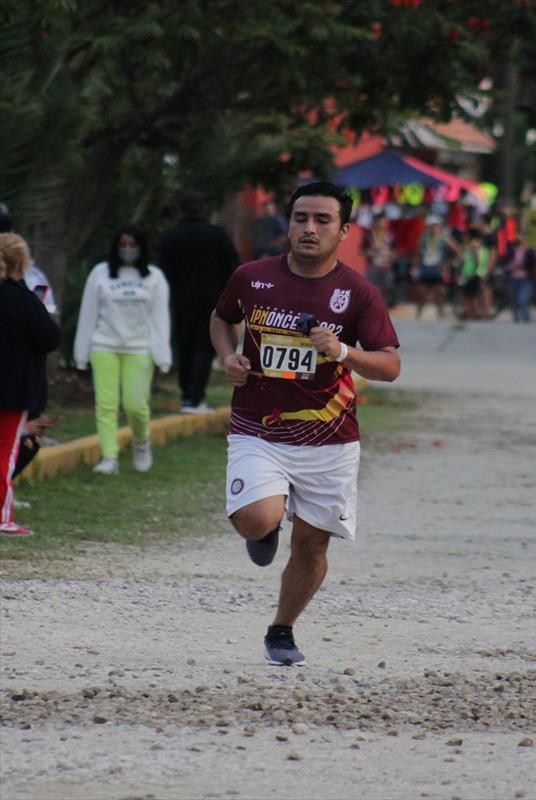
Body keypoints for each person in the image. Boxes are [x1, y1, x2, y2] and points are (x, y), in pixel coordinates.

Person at [210, 181, 400, 666]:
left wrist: (343, 351)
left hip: (330, 439)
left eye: (322, 220)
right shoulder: (251, 277)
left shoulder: (358, 293)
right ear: (288, 224)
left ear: (344, 231)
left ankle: (282, 630)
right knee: (257, 518)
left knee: (312, 544)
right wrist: (228, 356)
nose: (309, 228)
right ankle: (262, 530)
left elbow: (390, 365)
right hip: (258, 427)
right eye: (300, 218)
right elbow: (222, 318)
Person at [74, 224, 171, 475]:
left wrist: (162, 355)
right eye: (123, 245)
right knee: (106, 404)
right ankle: (110, 457)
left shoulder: (154, 277)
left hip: (139, 348)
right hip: (104, 345)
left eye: (132, 245)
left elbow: (160, 318)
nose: (128, 249)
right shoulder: (100, 273)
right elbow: (88, 312)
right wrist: (81, 352)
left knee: (135, 405)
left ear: (141, 247)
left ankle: (141, 442)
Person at [0, 233, 60, 536]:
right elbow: (50, 337)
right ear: (22, 262)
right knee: (5, 451)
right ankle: (2, 517)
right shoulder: (22, 299)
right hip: (13, 390)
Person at [158, 190, 239, 414]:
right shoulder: (217, 234)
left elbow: (162, 271)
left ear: (179, 210)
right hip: (212, 301)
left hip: (180, 301)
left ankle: (187, 394)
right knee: (205, 348)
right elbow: (233, 267)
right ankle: (195, 397)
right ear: (203, 208)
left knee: (185, 346)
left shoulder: (170, 237)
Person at [412, 214, 459, 319]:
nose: (434, 228)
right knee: (422, 294)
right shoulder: (423, 239)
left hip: (438, 269)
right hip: (425, 269)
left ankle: (440, 314)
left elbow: (456, 251)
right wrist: (414, 269)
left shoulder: (443, 238)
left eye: (436, 225)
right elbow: (417, 255)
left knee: (439, 292)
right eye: (432, 226)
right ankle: (418, 316)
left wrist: (449, 263)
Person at [361, 213, 396, 307]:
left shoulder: (390, 236)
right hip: (373, 266)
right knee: (372, 289)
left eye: (385, 223)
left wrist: (390, 257)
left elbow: (394, 250)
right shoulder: (369, 236)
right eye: (381, 222)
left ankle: (385, 308)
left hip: (385, 266)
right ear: (375, 223)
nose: (383, 225)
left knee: (386, 288)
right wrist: (370, 251)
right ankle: (373, 307)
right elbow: (361, 251)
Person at [505, 236, 536, 323]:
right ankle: (516, 319)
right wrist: (510, 266)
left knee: (522, 299)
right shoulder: (511, 252)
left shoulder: (530, 252)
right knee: (514, 300)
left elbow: (533, 265)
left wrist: (520, 265)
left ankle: (526, 319)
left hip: (526, 279)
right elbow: (506, 265)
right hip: (513, 279)